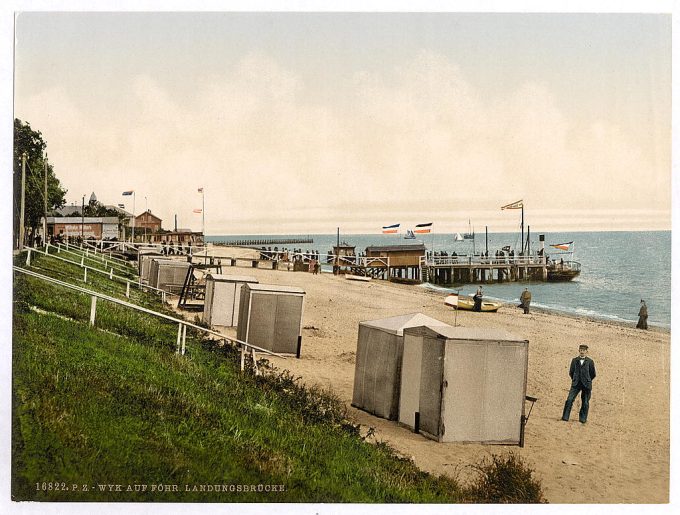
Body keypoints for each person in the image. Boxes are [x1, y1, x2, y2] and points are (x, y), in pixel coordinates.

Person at [561, 344, 597, 424]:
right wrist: (575, 379)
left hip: (586, 385)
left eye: (584, 350)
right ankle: (565, 417)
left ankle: (583, 419)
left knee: (585, 402)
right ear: (579, 351)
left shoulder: (590, 361)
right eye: (580, 350)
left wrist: (587, 380)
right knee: (569, 399)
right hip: (576, 384)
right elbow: (571, 372)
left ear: (587, 352)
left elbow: (593, 374)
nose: (582, 352)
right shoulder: (574, 360)